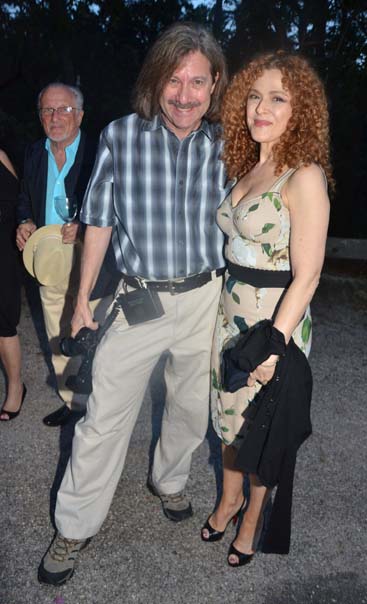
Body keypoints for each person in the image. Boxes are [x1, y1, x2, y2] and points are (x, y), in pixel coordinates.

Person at [38, 22, 231, 585]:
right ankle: (74, 525)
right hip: (139, 299)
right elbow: (97, 220)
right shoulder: (121, 136)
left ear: (215, 84)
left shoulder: (228, 143)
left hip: (205, 298)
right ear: (157, 80)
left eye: (199, 81)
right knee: (102, 418)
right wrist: (79, 301)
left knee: (192, 409)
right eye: (175, 79)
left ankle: (169, 481)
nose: (186, 94)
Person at [201, 51, 332, 567]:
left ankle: (250, 520)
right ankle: (228, 499)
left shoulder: (305, 177)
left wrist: (273, 346)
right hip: (229, 314)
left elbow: (309, 275)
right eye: (254, 96)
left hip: (271, 323)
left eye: (277, 97)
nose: (261, 107)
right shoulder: (251, 165)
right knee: (228, 417)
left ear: (301, 109)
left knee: (259, 426)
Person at [16, 83, 115, 427]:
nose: (55, 117)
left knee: (92, 332)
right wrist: (24, 220)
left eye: (64, 110)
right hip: (49, 260)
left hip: (91, 259)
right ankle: (73, 403)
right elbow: (24, 197)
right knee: (57, 330)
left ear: (80, 115)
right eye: (47, 110)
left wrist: (87, 227)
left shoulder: (98, 152)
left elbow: (116, 206)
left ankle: (100, 406)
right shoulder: (33, 153)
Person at [0, 150, 25, 421]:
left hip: (3, 247)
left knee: (4, 321)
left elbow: (20, 199)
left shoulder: (1, 155)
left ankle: (16, 386)